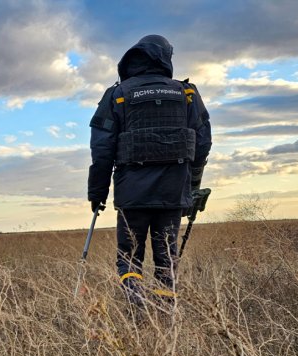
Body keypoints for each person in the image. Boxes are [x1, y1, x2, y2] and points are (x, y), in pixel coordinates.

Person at [88, 34, 212, 306]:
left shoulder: (117, 94)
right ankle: (165, 316)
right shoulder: (186, 93)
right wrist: (192, 186)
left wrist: (97, 193)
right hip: (173, 191)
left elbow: (101, 150)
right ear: (165, 58)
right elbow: (202, 143)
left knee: (129, 256)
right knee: (166, 256)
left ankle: (136, 311)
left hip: (132, 193)